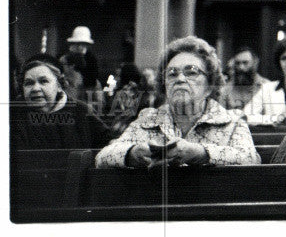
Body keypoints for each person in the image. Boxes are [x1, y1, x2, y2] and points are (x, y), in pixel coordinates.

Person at [95, 36, 260, 168]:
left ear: (210, 85)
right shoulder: (148, 120)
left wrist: (201, 153)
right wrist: (133, 153)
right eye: (172, 74)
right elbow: (102, 157)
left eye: (191, 72)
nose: (180, 79)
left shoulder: (232, 122)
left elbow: (251, 158)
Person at [10, 54, 110, 150]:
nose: (35, 88)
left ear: (59, 86)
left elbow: (108, 143)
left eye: (44, 81)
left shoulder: (82, 111)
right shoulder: (13, 115)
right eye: (29, 83)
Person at [243, 36, 286, 126]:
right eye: (284, 58)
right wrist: (277, 118)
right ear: (279, 63)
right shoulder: (267, 89)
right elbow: (246, 116)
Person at [105, 63, 163, 137]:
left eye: (119, 75)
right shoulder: (137, 91)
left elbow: (128, 112)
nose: (116, 78)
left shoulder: (128, 91)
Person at [217, 47, 268, 112]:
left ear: (255, 63)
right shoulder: (226, 90)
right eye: (237, 63)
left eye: (245, 63)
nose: (241, 67)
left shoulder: (266, 87)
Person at [60, 25, 101, 100]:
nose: (80, 47)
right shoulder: (64, 60)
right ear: (72, 44)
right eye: (78, 44)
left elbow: (98, 102)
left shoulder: (91, 64)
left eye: (84, 44)